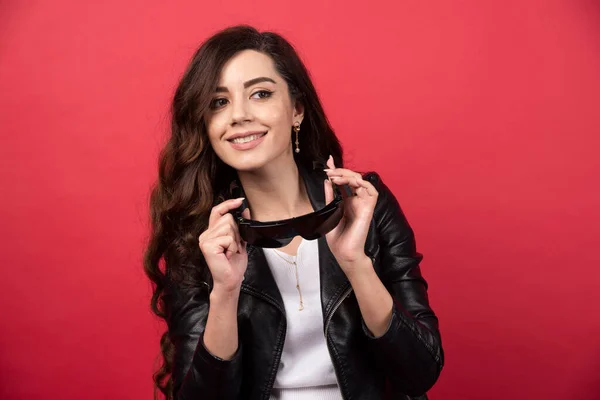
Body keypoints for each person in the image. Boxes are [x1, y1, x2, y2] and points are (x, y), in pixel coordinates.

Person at [144, 25, 443, 400]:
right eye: (218, 102)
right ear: (205, 124)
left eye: (261, 94)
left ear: (296, 109)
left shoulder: (364, 203)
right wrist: (225, 290)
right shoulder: (199, 235)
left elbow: (419, 372)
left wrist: (356, 263)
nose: (238, 115)